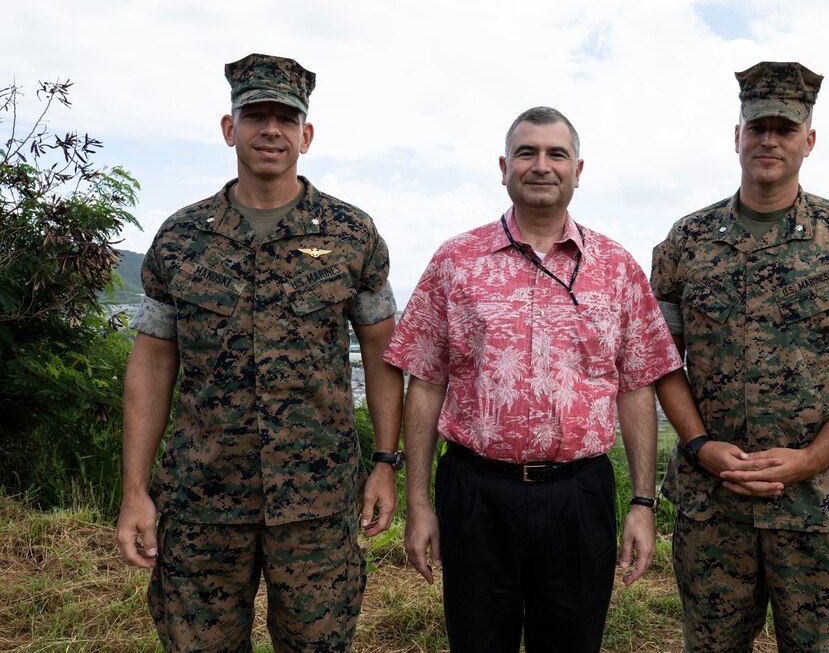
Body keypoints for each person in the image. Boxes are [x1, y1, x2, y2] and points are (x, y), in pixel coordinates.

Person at [115, 52, 404, 651]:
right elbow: (152, 362)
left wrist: (384, 462)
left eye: (285, 117)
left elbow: (382, 352)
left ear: (307, 134)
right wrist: (135, 490)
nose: (270, 129)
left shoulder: (351, 234)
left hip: (317, 503)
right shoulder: (181, 238)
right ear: (230, 129)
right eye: (255, 115)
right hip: (202, 501)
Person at [383, 106, 682, 652]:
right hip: (475, 493)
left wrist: (643, 503)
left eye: (555, 154)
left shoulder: (616, 267)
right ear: (504, 167)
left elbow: (636, 386)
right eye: (527, 153)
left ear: (578, 169)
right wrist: (419, 505)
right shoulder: (456, 261)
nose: (541, 165)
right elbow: (424, 383)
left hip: (578, 497)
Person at [652, 61, 829, 652]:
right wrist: (698, 446)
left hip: (821, 506)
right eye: (757, 126)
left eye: (785, 129)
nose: (769, 140)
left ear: (809, 141)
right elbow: (661, 359)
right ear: (736, 136)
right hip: (714, 504)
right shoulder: (686, 241)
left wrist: (810, 459)